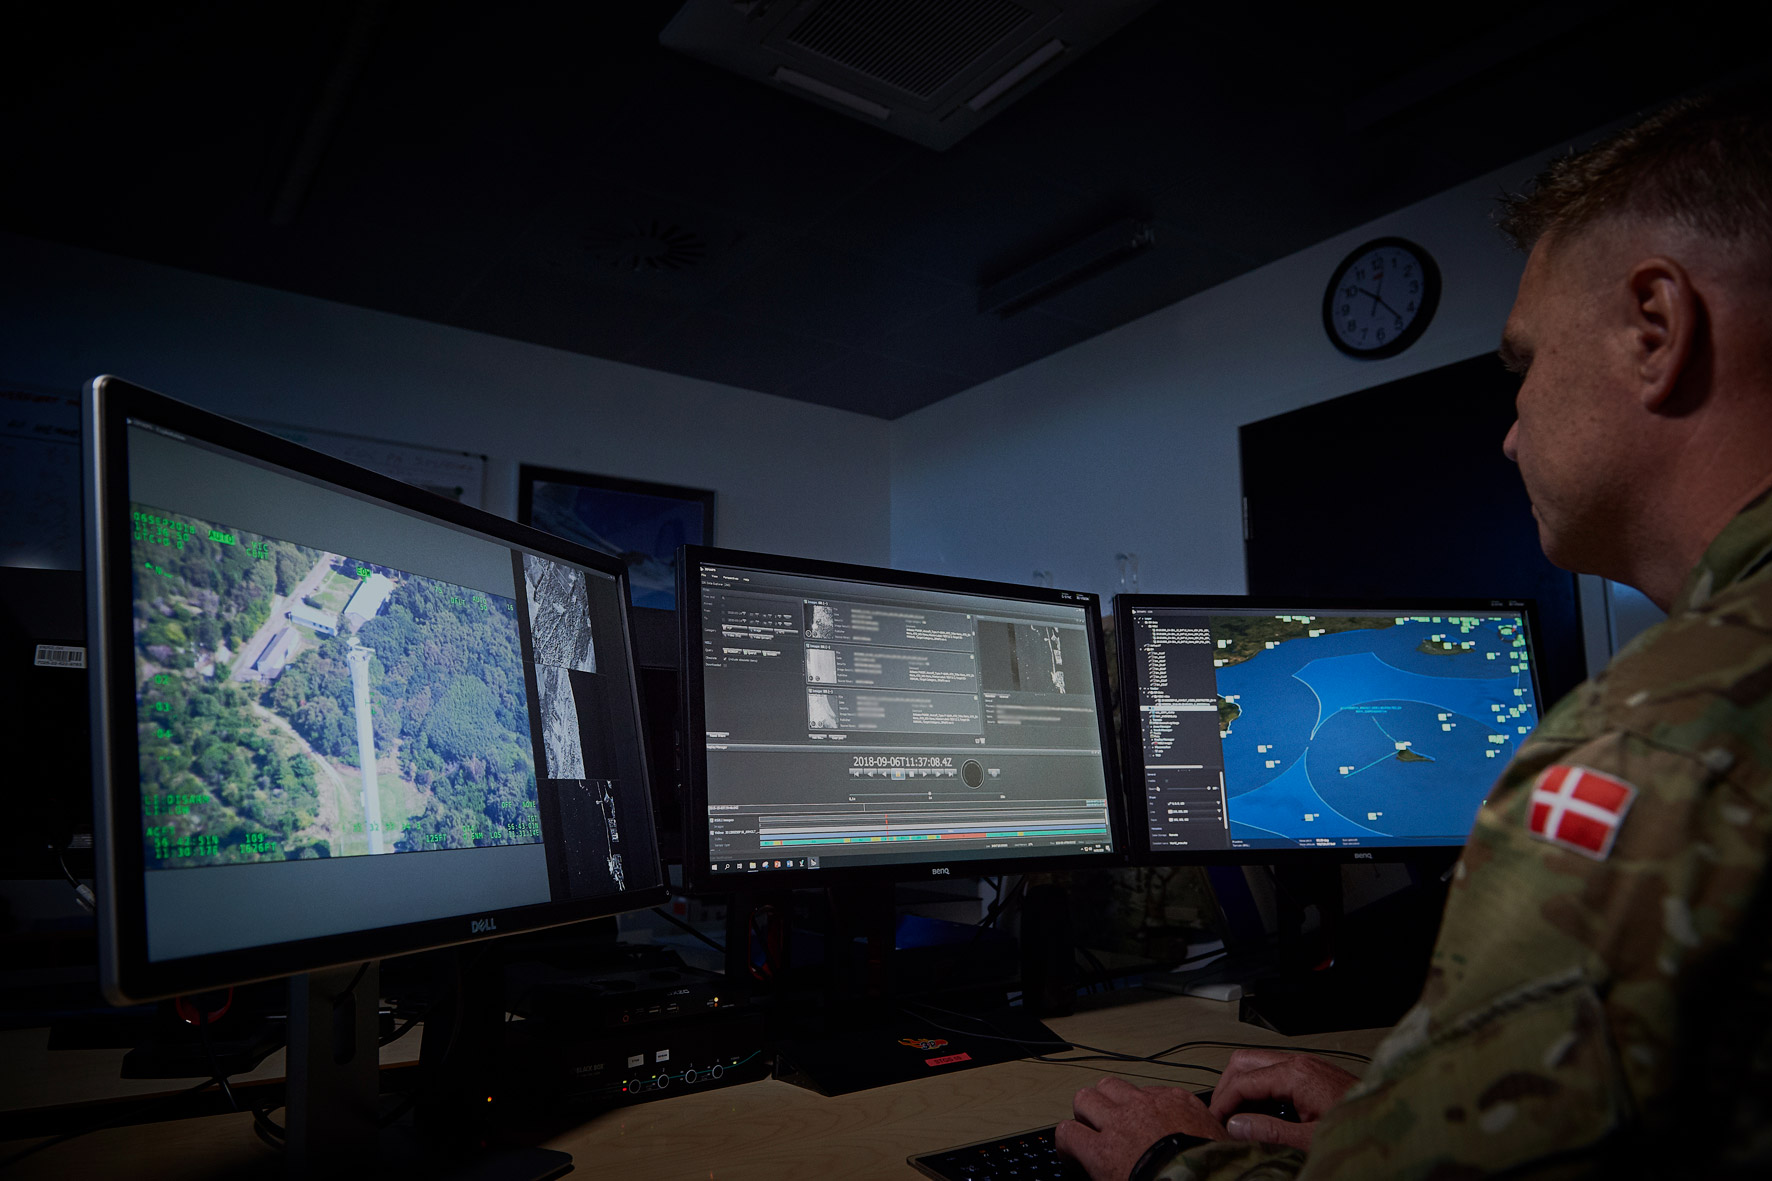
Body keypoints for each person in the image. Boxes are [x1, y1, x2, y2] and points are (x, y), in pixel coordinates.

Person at [1057, 84, 1772, 1180]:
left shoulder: (1655, 747)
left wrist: (1170, 1159)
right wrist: (1404, 1116)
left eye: (1522, 363)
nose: (1507, 431)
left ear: (1654, 328)